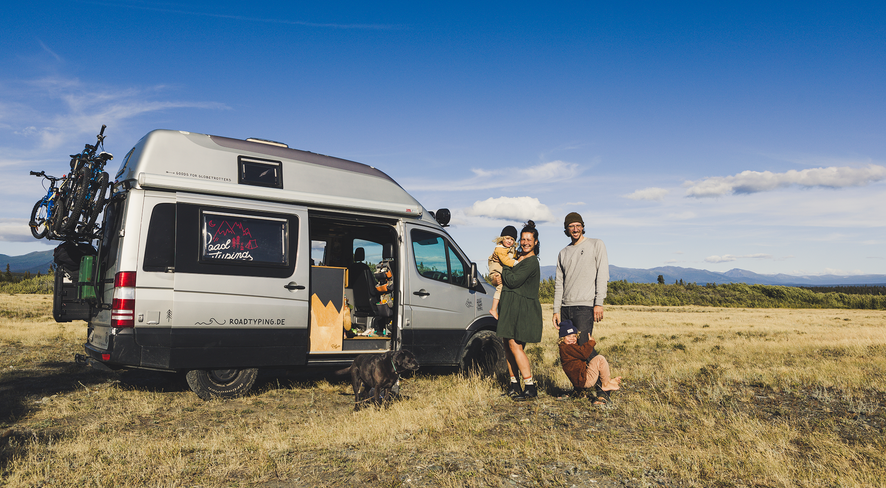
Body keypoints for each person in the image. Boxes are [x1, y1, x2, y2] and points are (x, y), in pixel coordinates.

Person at [492, 221, 543, 401]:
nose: (525, 242)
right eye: (523, 239)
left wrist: (503, 265)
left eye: (529, 240)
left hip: (522, 308)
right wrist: (497, 276)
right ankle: (514, 385)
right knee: (507, 346)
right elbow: (499, 279)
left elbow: (513, 281)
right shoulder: (517, 256)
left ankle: (530, 386)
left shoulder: (531, 262)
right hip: (509, 305)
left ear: (535, 242)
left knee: (515, 345)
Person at [552, 212, 609, 346]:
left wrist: (599, 303)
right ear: (566, 229)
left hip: (584, 308)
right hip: (565, 308)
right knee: (567, 350)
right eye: (571, 226)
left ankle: (598, 361)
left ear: (583, 227)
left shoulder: (596, 244)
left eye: (578, 225)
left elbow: (602, 275)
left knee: (584, 348)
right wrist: (556, 310)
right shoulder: (563, 253)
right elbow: (559, 284)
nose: (575, 229)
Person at [557, 319, 621, 404]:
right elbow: (584, 354)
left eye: (574, 336)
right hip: (585, 380)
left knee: (598, 360)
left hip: (581, 380)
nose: (572, 338)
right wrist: (591, 342)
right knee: (600, 359)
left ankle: (608, 380)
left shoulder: (566, 347)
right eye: (568, 336)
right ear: (562, 338)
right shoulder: (568, 348)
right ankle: (605, 384)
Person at [487, 225, 518, 319]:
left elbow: (513, 255)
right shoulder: (500, 249)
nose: (509, 241)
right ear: (502, 238)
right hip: (496, 272)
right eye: (507, 238)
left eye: (512, 239)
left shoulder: (509, 249)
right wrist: (516, 263)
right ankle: (493, 309)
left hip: (500, 271)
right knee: (500, 288)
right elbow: (505, 261)